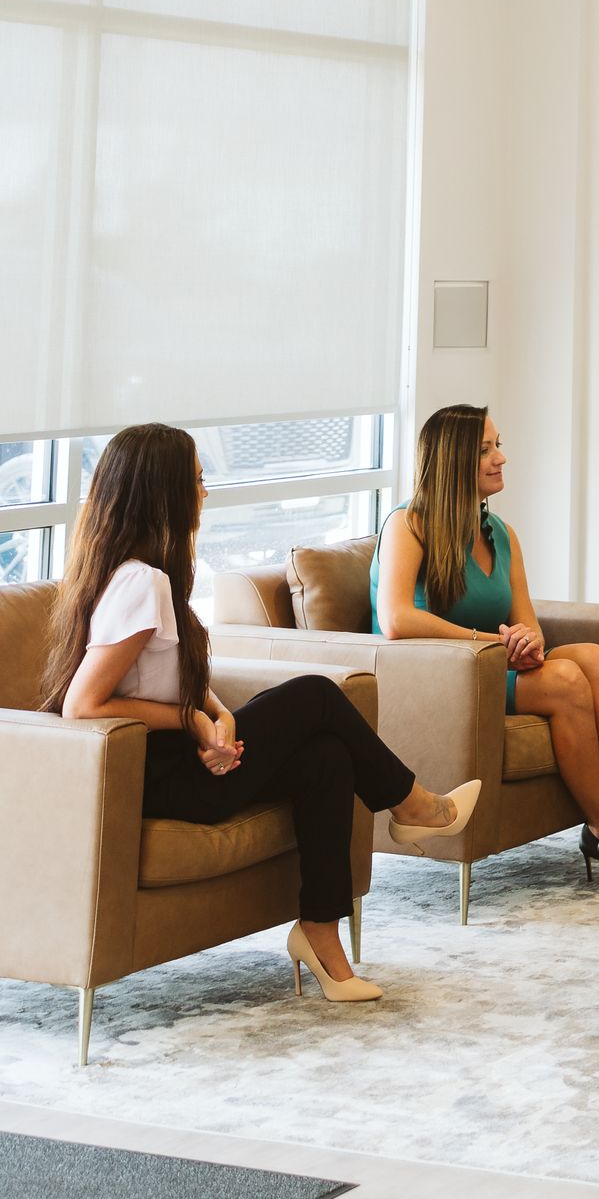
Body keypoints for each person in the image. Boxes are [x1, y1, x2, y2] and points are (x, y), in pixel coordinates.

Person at [44, 422, 478, 1004]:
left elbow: (181, 677)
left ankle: (321, 939)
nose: (205, 491)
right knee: (318, 695)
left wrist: (217, 715)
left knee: (326, 758)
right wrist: (194, 723)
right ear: (163, 491)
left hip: (184, 761)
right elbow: (82, 705)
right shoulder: (140, 583)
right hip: (159, 779)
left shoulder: (148, 575)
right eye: (197, 479)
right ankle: (414, 804)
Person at [372, 404, 599, 903]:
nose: (501, 459)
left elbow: (525, 616)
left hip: (492, 665)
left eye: (498, 445)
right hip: (436, 676)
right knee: (567, 682)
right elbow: (396, 620)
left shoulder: (501, 534)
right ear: (453, 462)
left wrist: (527, 639)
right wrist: (490, 643)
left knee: (596, 659)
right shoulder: (408, 524)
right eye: (487, 450)